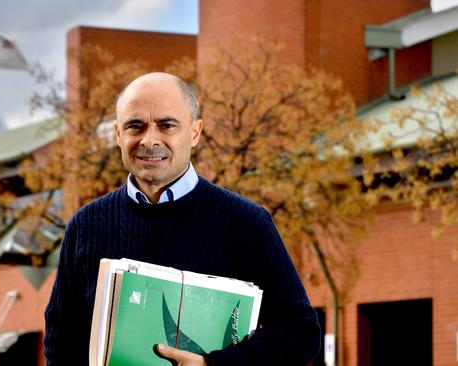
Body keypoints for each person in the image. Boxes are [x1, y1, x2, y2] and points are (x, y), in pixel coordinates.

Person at [44, 72, 320, 365]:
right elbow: (61, 342)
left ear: (195, 132)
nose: (149, 140)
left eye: (167, 125)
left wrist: (211, 365)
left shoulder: (247, 222)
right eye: (135, 126)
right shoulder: (86, 225)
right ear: (117, 134)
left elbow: (300, 333)